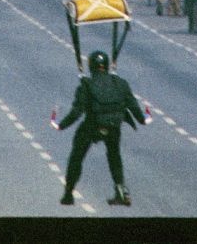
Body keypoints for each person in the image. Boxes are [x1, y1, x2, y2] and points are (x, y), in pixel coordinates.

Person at [54, 50, 147, 206]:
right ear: (106, 66)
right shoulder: (120, 83)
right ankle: (120, 189)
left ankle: (68, 193)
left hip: (92, 126)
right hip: (113, 126)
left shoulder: (86, 85)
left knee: (77, 156)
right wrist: (142, 120)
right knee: (114, 155)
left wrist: (62, 125)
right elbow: (132, 104)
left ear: (91, 66)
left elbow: (78, 111)